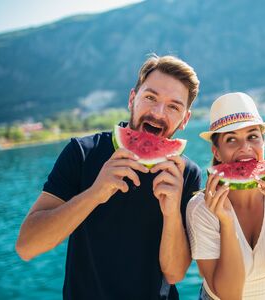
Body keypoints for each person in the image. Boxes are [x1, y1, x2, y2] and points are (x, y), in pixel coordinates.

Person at [15, 54, 202, 300]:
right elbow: (27, 246)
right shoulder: (82, 153)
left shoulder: (185, 173)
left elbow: (175, 274)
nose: (158, 112)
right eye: (150, 97)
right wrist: (95, 194)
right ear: (132, 99)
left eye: (173, 106)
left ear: (185, 119)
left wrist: (170, 214)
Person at [186, 92, 265, 300]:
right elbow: (229, 295)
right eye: (231, 139)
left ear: (264, 142)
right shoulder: (201, 208)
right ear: (216, 152)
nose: (245, 147)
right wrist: (227, 223)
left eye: (253, 136)